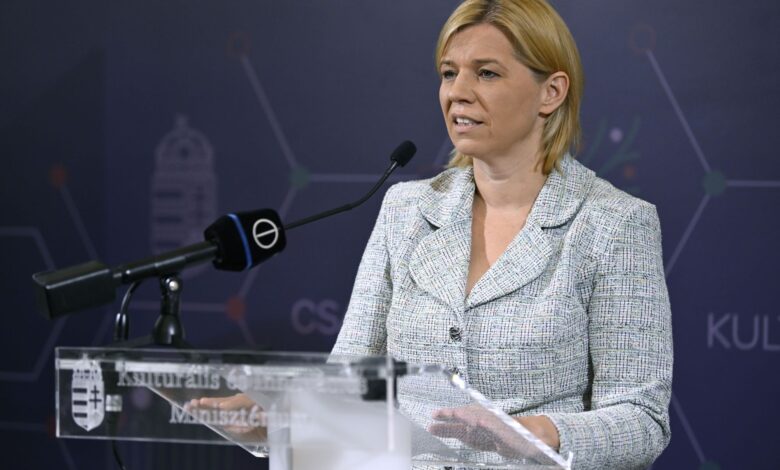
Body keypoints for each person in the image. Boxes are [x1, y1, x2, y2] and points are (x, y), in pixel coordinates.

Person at [331, 1, 673, 469]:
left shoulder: (613, 223)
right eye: (449, 73)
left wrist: (537, 435)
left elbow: (641, 420)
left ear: (551, 92)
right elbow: (347, 379)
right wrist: (271, 423)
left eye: (486, 73)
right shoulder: (405, 211)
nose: (458, 92)